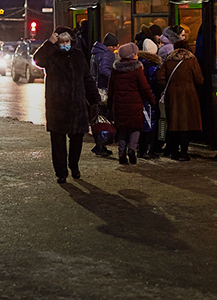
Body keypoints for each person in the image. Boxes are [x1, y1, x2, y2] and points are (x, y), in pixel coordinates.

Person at [34, 27, 100, 183]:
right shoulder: (51, 55)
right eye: (61, 42)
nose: (65, 44)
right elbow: (38, 59)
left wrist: (94, 99)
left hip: (77, 106)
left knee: (77, 140)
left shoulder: (78, 55)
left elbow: (87, 78)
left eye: (67, 41)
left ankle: (74, 166)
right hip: (57, 107)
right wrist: (49, 43)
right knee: (58, 143)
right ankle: (61, 172)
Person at [107, 43, 156, 165]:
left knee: (122, 130)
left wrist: (109, 104)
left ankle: (121, 153)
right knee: (135, 128)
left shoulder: (115, 68)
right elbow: (144, 88)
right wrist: (152, 101)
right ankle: (132, 149)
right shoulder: (137, 69)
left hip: (119, 104)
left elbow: (111, 88)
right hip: (135, 103)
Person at [156, 39, 204, 161]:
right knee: (186, 125)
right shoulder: (192, 60)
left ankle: (173, 151)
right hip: (189, 96)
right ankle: (184, 152)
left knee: (173, 124)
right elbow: (199, 79)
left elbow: (160, 78)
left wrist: (170, 87)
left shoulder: (168, 60)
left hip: (172, 96)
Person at [89, 32, 119, 157]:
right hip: (103, 89)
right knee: (104, 117)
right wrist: (115, 78)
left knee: (98, 118)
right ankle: (101, 144)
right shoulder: (106, 54)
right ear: (111, 46)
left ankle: (100, 143)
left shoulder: (96, 52)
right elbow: (104, 70)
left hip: (96, 88)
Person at [137, 47, 162, 159]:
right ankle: (148, 150)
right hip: (149, 99)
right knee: (151, 124)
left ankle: (140, 150)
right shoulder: (153, 67)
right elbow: (156, 84)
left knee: (141, 125)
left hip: (138, 99)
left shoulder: (137, 65)